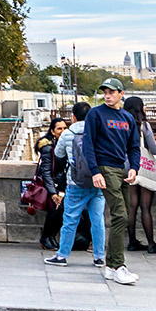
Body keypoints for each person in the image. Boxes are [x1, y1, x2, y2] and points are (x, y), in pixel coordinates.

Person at [84, 78, 141, 285]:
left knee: (124, 216)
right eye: (105, 92)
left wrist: (135, 167)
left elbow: (134, 146)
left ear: (120, 94)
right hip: (106, 168)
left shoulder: (127, 118)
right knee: (120, 216)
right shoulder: (95, 114)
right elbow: (88, 144)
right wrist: (95, 171)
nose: (107, 95)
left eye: (111, 92)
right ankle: (118, 266)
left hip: (122, 169)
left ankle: (111, 266)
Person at [47, 101, 106, 269]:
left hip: (75, 182)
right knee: (97, 220)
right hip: (97, 181)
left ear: (73, 117)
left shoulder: (67, 134)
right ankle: (99, 256)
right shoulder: (98, 132)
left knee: (70, 219)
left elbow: (58, 155)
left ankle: (62, 255)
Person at [121, 96, 156, 254]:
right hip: (143, 167)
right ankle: (151, 243)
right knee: (145, 207)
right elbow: (153, 150)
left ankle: (132, 241)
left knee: (131, 207)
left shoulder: (121, 124)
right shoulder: (144, 125)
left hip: (126, 167)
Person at [35, 116, 69, 251]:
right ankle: (46, 238)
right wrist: (52, 192)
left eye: (65, 128)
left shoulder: (63, 142)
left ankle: (51, 237)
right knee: (56, 210)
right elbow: (46, 171)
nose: (62, 131)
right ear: (52, 131)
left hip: (60, 183)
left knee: (59, 211)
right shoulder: (48, 147)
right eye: (59, 128)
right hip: (51, 184)